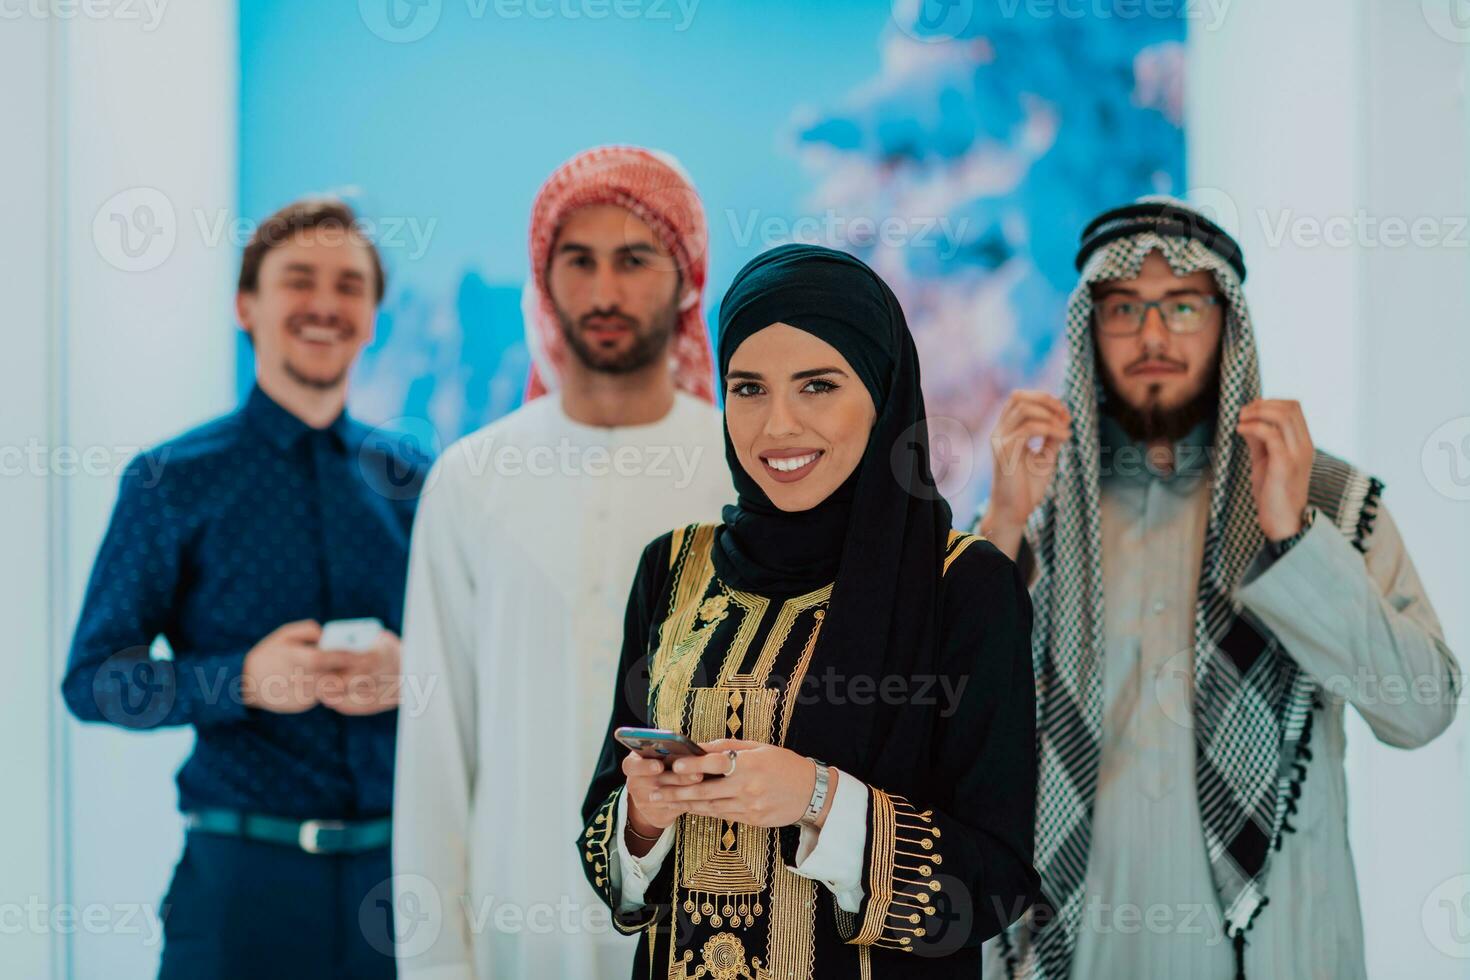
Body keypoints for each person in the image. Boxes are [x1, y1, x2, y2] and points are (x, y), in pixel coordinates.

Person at [978, 198, 1461, 979]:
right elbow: (945, 736)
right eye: (1125, 308)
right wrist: (1000, 528)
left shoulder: (1327, 499)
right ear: (1089, 328)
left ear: (1228, 323)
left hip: (1274, 948)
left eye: (1183, 307)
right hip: (1079, 952)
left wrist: (1293, 542)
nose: (1155, 337)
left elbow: (1422, 710)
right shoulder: (1034, 513)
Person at [578, 243, 1039, 978]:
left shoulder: (962, 585)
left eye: (818, 385)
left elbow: (995, 882)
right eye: (748, 388)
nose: (777, 425)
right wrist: (643, 818)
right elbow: (605, 848)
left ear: (883, 394)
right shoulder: (671, 568)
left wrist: (817, 799)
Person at [61, 197, 427, 979]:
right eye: (299, 279)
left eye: (349, 285)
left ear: (370, 318)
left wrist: (415, 674)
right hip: (239, 892)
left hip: (399, 888)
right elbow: (92, 682)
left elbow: (479, 668)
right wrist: (243, 680)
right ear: (245, 305)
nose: (325, 304)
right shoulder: (171, 480)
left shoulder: (413, 481)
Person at [393, 146, 733, 979]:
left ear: (687, 278)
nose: (605, 292)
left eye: (634, 260)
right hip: (516, 933)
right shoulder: (471, 480)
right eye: (577, 261)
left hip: (716, 934)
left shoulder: (742, 470)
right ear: (544, 282)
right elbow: (436, 751)